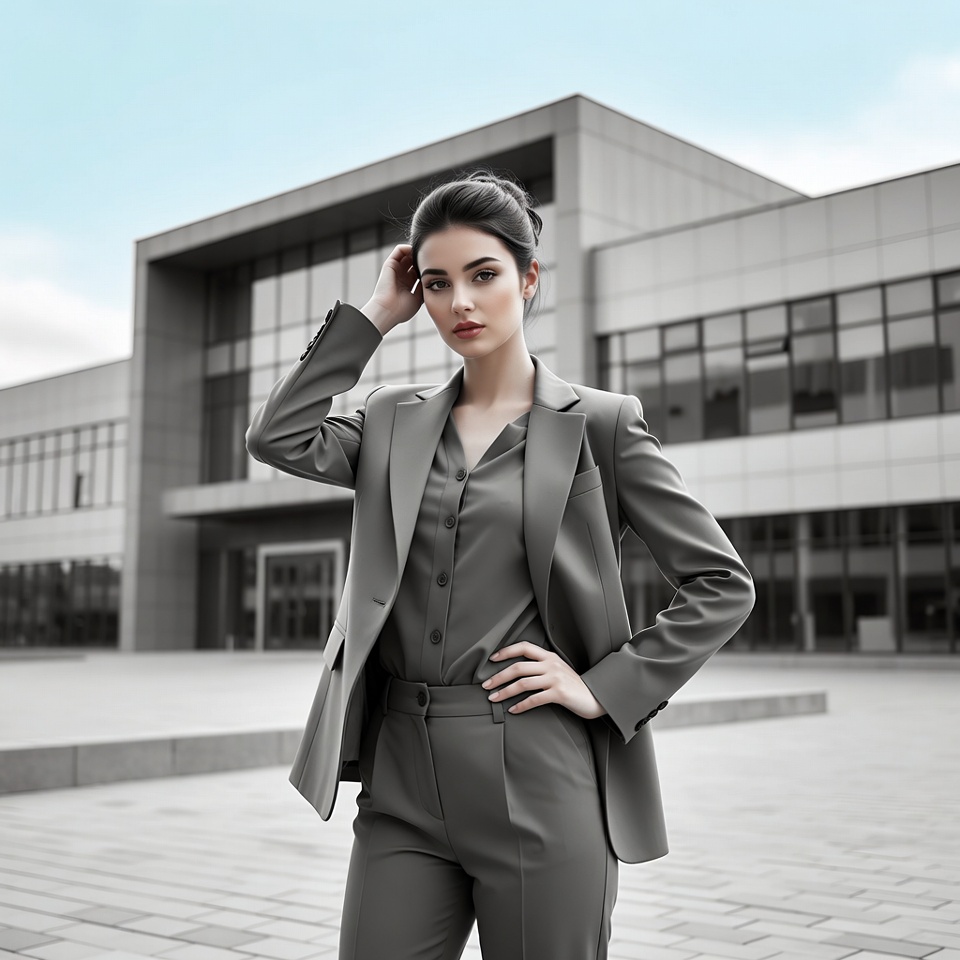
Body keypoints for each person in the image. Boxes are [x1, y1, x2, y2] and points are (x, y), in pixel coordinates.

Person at [245, 169, 756, 960]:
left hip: (540, 772)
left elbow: (722, 583)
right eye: (438, 283)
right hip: (400, 773)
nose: (461, 303)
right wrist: (376, 315)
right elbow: (276, 436)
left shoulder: (602, 424)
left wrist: (603, 687)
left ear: (528, 279)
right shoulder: (390, 419)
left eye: (483, 275)